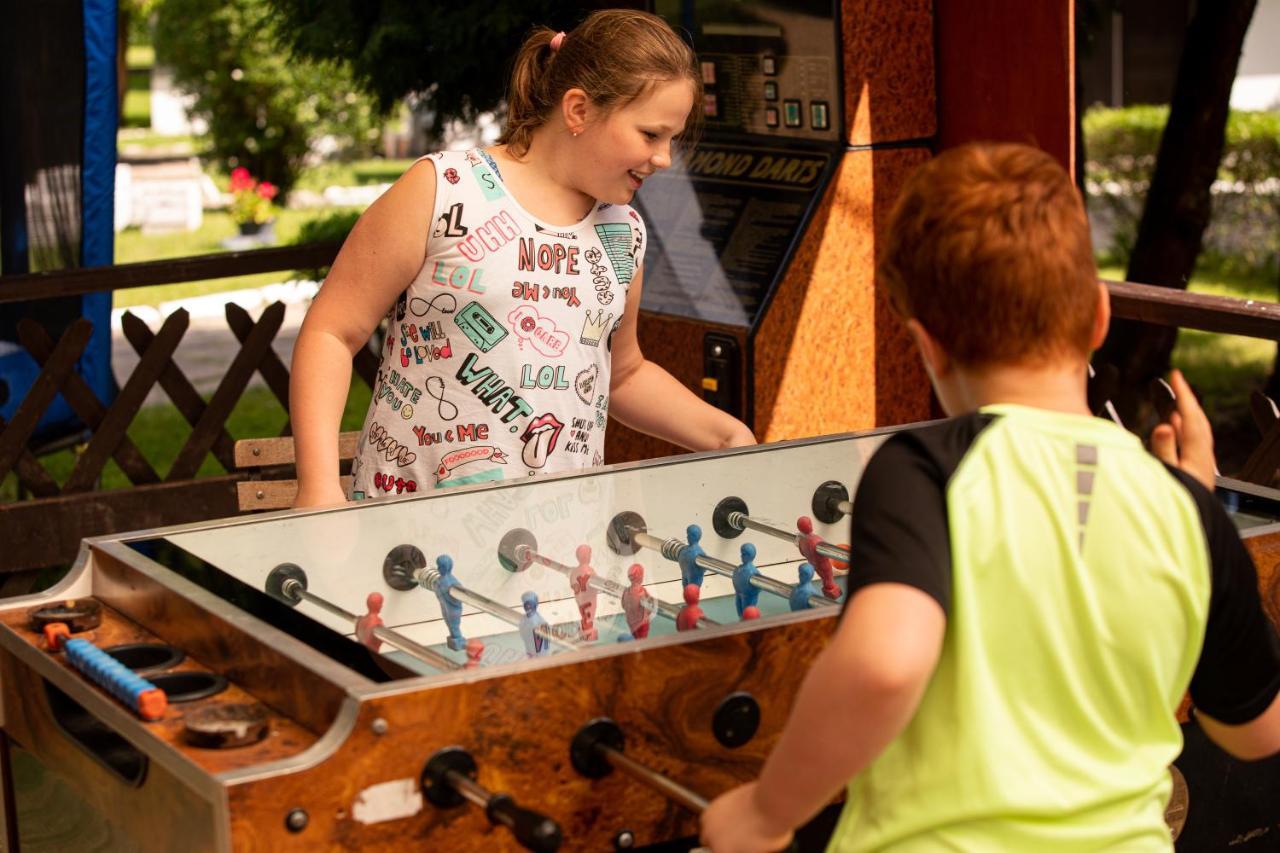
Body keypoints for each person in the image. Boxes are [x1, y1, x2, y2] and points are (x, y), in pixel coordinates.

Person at [700, 143, 1280, 852]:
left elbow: (887, 661)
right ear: (1098, 318)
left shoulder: (922, 471)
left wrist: (765, 813)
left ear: (927, 346)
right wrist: (1193, 506)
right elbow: (1256, 728)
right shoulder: (1184, 510)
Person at [289, 10, 754, 507]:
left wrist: (726, 434)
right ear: (578, 110)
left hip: (562, 547)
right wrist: (318, 489)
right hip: (411, 538)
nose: (664, 158)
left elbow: (623, 374)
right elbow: (332, 331)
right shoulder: (444, 189)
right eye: (650, 134)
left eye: (672, 139)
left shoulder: (625, 232)